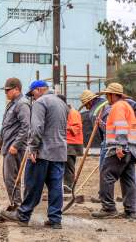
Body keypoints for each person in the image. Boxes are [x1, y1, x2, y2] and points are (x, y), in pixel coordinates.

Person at [0, 80, 68, 229]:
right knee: (55, 186)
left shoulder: (41, 102)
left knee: (33, 184)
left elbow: (36, 128)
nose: (33, 97)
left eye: (33, 94)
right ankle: (55, 219)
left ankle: (23, 215)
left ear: (39, 90)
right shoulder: (62, 103)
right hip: (59, 152)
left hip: (42, 152)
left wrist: (33, 148)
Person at [91, 83, 136, 219]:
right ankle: (131, 210)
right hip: (131, 148)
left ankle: (108, 208)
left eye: (107, 94)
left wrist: (120, 146)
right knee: (127, 178)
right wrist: (103, 125)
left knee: (106, 175)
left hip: (121, 148)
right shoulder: (126, 106)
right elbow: (119, 127)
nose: (106, 97)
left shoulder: (117, 107)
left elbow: (121, 127)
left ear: (113, 95)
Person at [0, 78, 30, 210]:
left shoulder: (22, 104)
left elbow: (26, 126)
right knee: (8, 178)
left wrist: (16, 145)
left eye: (8, 90)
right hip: (8, 146)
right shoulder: (11, 104)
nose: (6, 93)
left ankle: (17, 205)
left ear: (17, 89)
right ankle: (15, 203)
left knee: (11, 178)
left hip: (15, 148)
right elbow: (6, 124)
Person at [79, 90, 110, 203]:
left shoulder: (93, 112)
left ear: (90, 101)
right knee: (126, 172)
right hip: (122, 139)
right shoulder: (107, 102)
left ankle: (103, 196)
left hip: (108, 141)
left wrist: (105, 147)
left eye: (86, 104)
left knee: (104, 170)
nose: (86, 108)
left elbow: (98, 134)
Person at [58, 94, 83, 193]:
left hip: (72, 143)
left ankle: (68, 187)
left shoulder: (72, 113)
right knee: (66, 165)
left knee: (69, 166)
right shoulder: (66, 112)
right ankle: (66, 185)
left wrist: (62, 126)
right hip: (67, 143)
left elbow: (76, 129)